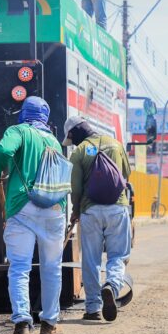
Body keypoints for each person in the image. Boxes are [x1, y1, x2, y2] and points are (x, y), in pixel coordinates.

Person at [0, 97, 66, 334]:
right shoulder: (54, 141)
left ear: (24, 114)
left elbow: (3, 151)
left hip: (22, 207)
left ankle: (22, 325)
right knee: (52, 268)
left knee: (20, 267)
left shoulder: (19, 131)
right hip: (54, 209)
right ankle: (49, 326)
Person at [63, 116, 132, 322]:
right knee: (117, 255)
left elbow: (75, 188)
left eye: (71, 139)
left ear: (75, 133)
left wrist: (75, 210)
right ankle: (112, 285)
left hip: (90, 211)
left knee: (91, 260)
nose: (72, 143)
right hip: (117, 209)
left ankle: (93, 307)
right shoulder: (116, 144)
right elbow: (125, 174)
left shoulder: (79, 151)